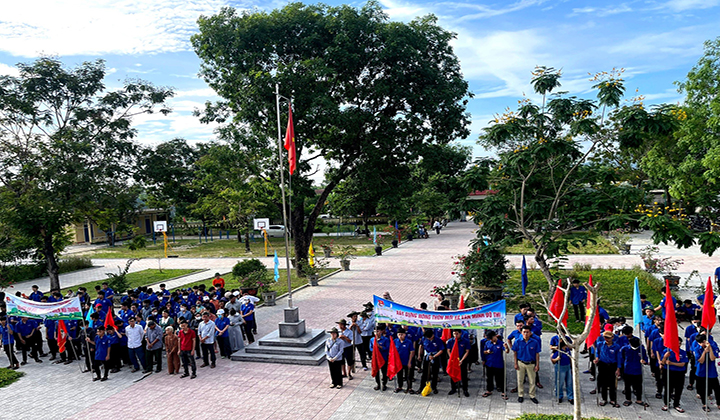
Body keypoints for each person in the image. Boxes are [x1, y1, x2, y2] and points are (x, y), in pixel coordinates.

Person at [512, 325, 541, 404]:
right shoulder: (517, 341)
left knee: (532, 381)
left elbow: (537, 354)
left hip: (531, 364)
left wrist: (537, 365)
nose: (525, 334)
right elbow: (515, 352)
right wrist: (515, 363)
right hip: (520, 363)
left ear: (530, 333)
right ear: (521, 332)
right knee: (520, 380)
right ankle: (520, 395)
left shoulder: (534, 342)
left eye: (527, 332)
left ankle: (532, 395)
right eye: (524, 332)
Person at [694, 334, 720, 412]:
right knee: (702, 389)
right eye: (700, 343)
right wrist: (705, 352)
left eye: (703, 342)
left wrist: (710, 349)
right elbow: (701, 361)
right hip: (701, 371)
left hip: (711, 371)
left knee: (717, 388)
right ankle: (704, 404)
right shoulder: (697, 349)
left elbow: (712, 358)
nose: (701, 344)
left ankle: (719, 402)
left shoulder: (713, 346)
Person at [595, 330, 621, 407]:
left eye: (608, 338)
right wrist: (597, 358)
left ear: (612, 337)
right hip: (602, 365)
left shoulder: (616, 346)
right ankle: (604, 399)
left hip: (612, 365)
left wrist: (618, 368)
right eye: (605, 337)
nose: (607, 339)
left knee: (612, 383)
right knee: (603, 383)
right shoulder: (600, 344)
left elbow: (619, 358)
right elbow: (597, 352)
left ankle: (613, 399)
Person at [661, 340, 687, 413]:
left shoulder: (683, 352)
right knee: (668, 388)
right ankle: (666, 404)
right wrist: (665, 357)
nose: (678, 345)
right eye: (677, 343)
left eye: (680, 343)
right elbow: (662, 362)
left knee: (678, 389)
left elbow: (682, 364)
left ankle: (676, 404)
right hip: (669, 372)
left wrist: (671, 363)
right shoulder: (667, 351)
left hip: (679, 373)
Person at [620, 337, 647, 407]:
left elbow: (645, 359)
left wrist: (644, 361)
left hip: (638, 371)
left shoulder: (641, 349)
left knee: (638, 386)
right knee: (627, 386)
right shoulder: (625, 349)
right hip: (627, 370)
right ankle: (628, 399)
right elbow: (621, 359)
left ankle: (639, 399)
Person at [416, 328, 444, 394]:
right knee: (424, 373)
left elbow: (441, 350)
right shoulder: (424, 338)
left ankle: (434, 387)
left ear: (433, 335)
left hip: (435, 356)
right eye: (427, 338)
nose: (429, 339)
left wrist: (434, 356)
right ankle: (421, 387)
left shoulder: (438, 340)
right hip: (427, 356)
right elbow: (421, 345)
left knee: (435, 373)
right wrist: (419, 355)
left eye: (430, 337)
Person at [446, 329, 471, 397]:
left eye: (457, 334)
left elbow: (467, 351)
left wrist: (462, 360)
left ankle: (465, 389)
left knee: (463, 375)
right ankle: (453, 388)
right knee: (453, 374)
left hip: (462, 360)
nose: (455, 335)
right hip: (453, 360)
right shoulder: (450, 341)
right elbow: (448, 350)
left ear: (460, 333)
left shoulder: (465, 341)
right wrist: (452, 358)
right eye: (454, 334)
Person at [393, 328, 415, 394]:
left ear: (405, 334)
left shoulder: (409, 342)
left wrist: (409, 362)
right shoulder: (395, 341)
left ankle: (410, 387)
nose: (400, 336)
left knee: (408, 376)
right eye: (399, 334)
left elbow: (412, 352)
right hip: (398, 362)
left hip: (407, 361)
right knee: (399, 375)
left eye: (402, 334)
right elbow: (392, 351)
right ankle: (400, 386)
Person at [552, 339, 574, 404]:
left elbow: (570, 358)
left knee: (569, 383)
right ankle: (559, 396)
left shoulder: (567, 350)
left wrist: (571, 368)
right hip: (560, 367)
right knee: (560, 383)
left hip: (568, 367)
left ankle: (570, 397)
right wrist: (556, 359)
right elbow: (553, 360)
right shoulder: (558, 351)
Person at [370, 325, 390, 391]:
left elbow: (387, 348)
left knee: (384, 372)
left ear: (381, 332)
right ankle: (378, 384)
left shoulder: (385, 339)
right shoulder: (372, 339)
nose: (376, 333)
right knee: (376, 372)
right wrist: (374, 349)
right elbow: (370, 348)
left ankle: (384, 384)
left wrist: (379, 346)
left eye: (378, 331)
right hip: (375, 359)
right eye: (375, 331)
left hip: (383, 358)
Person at [358, 305, 376, 371]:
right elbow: (360, 328)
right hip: (363, 336)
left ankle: (371, 355)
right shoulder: (361, 321)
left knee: (369, 347)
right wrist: (361, 328)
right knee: (364, 348)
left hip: (369, 335)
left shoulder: (369, 321)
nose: (362, 318)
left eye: (363, 316)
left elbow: (367, 328)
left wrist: (361, 328)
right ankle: (367, 357)